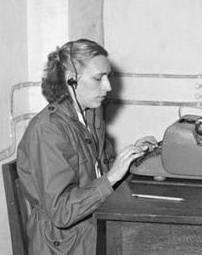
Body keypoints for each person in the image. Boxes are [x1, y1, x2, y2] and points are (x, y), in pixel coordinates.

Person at [17, 39, 157, 255]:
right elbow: (61, 212)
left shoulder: (90, 114)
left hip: (94, 225)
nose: (108, 86)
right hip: (65, 244)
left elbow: (103, 167)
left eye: (107, 76)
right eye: (99, 78)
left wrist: (132, 158)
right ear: (71, 80)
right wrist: (112, 177)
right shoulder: (48, 131)